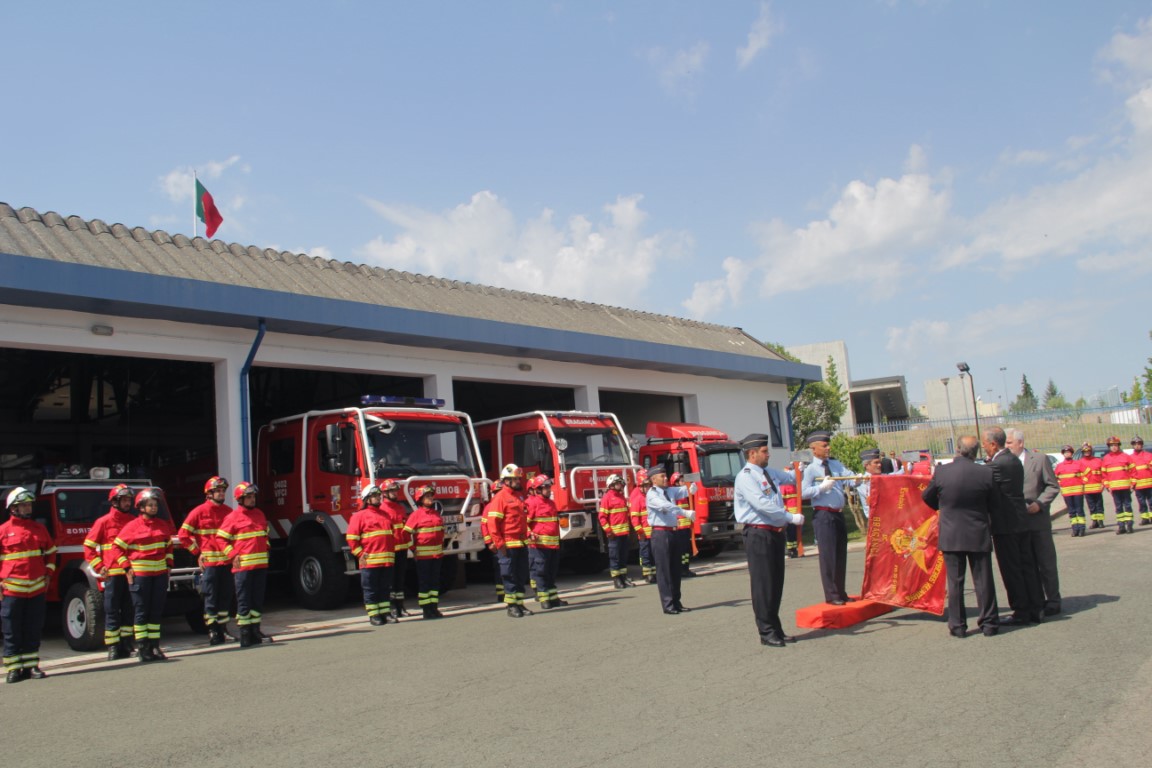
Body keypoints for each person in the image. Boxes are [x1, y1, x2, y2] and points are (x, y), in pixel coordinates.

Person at [921, 436, 1000, 638]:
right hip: (978, 531)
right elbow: (995, 502)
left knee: (955, 582)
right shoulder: (985, 472)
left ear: (957, 449)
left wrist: (945, 507)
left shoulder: (942, 472)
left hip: (951, 533)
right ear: (975, 452)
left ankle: (958, 626)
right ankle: (989, 623)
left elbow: (927, 497)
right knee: (983, 581)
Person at [733, 434, 805, 647]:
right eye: (764, 451)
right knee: (763, 584)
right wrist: (790, 517)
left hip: (773, 533)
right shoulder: (746, 476)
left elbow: (791, 478)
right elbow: (762, 504)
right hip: (758, 533)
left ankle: (776, 628)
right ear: (752, 453)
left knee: (775, 583)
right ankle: (766, 632)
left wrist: (802, 467)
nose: (768, 454)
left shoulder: (767, 473)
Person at [983, 427, 1043, 626]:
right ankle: (1035, 607)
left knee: (1012, 569)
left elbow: (983, 484)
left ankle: (1021, 610)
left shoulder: (998, 464)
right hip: (1020, 521)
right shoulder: (1013, 459)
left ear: (993, 444)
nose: (984, 448)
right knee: (1027, 566)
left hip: (1006, 524)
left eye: (985, 444)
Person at [113, 487, 175, 662]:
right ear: (141, 507)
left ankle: (154, 646)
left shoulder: (162, 525)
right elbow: (117, 547)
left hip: (160, 575)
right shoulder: (131, 526)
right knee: (141, 611)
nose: (154, 507)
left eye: (155, 504)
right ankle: (142, 648)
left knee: (155, 611)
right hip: (141, 576)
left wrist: (169, 564)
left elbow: (168, 546)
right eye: (150, 505)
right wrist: (126, 567)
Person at [1, 487, 56, 682]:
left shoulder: (39, 528)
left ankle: (32, 665)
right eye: (23, 505)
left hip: (36, 588)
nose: (27, 508)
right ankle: (14, 668)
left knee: (33, 627)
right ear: (13, 508)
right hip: (12, 589)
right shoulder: (3, 531)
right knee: (12, 629)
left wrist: (48, 572)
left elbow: (51, 552)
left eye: (28, 505)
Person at [1007, 429, 1062, 617]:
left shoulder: (1038, 460)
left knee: (1045, 563)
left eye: (1009, 443)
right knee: (1027, 565)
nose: (1006, 447)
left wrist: (1039, 504)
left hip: (1037, 520)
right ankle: (1036, 600)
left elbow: (1053, 486)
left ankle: (1053, 600)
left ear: (1020, 443)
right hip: (1017, 524)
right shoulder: (1006, 463)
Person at [83, 484, 137, 660]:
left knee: (129, 609)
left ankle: (127, 643)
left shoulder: (133, 521)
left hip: (131, 573)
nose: (128, 503)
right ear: (115, 501)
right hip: (113, 574)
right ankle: (113, 646)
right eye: (124, 500)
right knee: (112, 610)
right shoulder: (103, 522)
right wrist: (99, 567)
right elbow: (89, 546)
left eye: (129, 500)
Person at [179, 476, 234, 645]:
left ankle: (224, 629)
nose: (221, 493)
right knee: (210, 597)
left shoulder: (229, 512)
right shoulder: (199, 512)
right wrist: (197, 552)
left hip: (227, 563)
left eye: (222, 491)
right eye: (217, 491)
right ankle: (212, 631)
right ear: (209, 494)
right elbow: (183, 535)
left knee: (225, 597)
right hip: (210, 564)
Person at [801, 430, 851, 604]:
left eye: (828, 444)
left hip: (837, 514)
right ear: (814, 449)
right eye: (824, 445)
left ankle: (841, 591)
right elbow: (803, 492)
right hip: (823, 515)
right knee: (828, 556)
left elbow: (849, 477)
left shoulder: (835, 464)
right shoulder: (810, 469)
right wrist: (820, 488)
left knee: (840, 554)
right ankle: (831, 595)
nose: (828, 448)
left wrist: (860, 478)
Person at [218, 482, 270, 646]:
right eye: (249, 497)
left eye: (253, 496)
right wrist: (232, 555)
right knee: (244, 600)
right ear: (240, 499)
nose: (252, 499)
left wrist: (267, 547)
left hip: (261, 566)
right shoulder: (232, 517)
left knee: (257, 600)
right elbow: (220, 538)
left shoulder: (260, 514)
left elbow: (264, 535)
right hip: (243, 568)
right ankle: (245, 633)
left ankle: (255, 630)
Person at [644, 465, 694, 614]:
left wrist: (692, 486)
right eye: (662, 476)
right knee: (664, 570)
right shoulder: (652, 494)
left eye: (666, 476)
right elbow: (666, 506)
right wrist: (684, 512)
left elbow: (683, 490)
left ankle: (676, 601)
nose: (666, 478)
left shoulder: (669, 491)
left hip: (673, 532)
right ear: (653, 479)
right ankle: (668, 604)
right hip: (661, 534)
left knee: (675, 569)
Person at [346, 484, 396, 626]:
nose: (378, 498)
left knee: (385, 588)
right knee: (371, 589)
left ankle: (385, 612)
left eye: (378, 495)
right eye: (374, 496)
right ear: (367, 499)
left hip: (386, 560)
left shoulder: (385, 515)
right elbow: (351, 539)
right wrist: (360, 555)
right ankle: (374, 615)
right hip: (370, 561)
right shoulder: (359, 516)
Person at [487, 464, 531, 618]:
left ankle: (520, 603)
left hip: (520, 542)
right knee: (509, 575)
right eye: (515, 479)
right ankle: (511, 606)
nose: (519, 481)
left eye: (519, 478)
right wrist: (499, 544)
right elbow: (493, 524)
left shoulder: (518, 496)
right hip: (508, 543)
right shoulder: (500, 498)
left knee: (520, 575)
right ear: (506, 481)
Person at [405, 485, 446, 619]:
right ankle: (426, 610)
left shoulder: (436, 514)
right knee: (425, 583)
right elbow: (406, 534)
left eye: (431, 496)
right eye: (427, 496)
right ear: (420, 499)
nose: (430, 498)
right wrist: (413, 548)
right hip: (423, 557)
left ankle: (434, 608)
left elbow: (440, 532)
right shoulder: (415, 515)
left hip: (437, 556)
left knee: (435, 583)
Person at [526, 475, 566, 609]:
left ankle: (553, 598)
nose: (549, 489)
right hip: (539, 546)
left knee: (551, 572)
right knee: (541, 571)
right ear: (538, 489)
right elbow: (524, 523)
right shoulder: (532, 503)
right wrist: (530, 534)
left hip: (553, 545)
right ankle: (544, 599)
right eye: (546, 487)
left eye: (549, 487)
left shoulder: (551, 503)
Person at [599, 474, 632, 589]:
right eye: (618, 483)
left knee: (623, 556)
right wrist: (608, 530)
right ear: (611, 485)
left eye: (621, 483)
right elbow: (602, 517)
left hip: (624, 534)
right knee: (615, 557)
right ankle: (616, 579)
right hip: (614, 534)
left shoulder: (622, 497)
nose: (620, 485)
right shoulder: (607, 498)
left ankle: (623, 577)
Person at [387, 482, 414, 618]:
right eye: (392, 491)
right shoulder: (382, 509)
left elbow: (405, 530)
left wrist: (411, 546)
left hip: (402, 549)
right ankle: (391, 607)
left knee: (399, 580)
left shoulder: (400, 508)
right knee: (390, 581)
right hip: (390, 550)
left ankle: (400, 606)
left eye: (396, 491)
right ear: (385, 493)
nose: (395, 493)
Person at [1101, 436, 1134, 534]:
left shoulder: (1126, 457)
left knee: (1127, 506)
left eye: (1115, 445)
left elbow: (1133, 471)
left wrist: (1133, 483)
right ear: (1109, 447)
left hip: (1125, 487)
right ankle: (1121, 526)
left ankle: (1129, 525)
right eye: (1111, 445)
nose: (1114, 447)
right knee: (1118, 507)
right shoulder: (1106, 459)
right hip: (1114, 488)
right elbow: (1104, 475)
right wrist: (1107, 486)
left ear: (1118, 446)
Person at [628, 469, 656, 584]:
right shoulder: (637, 499)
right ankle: (647, 574)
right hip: (644, 534)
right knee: (646, 554)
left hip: (654, 533)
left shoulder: (651, 497)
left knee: (653, 554)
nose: (648, 488)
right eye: (646, 486)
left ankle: (653, 573)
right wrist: (640, 531)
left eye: (649, 485)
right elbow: (634, 518)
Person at [481, 481, 506, 604]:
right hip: (496, 544)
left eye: (500, 492)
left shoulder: (506, 504)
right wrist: (489, 542)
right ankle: (501, 594)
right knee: (499, 569)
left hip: (508, 542)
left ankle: (509, 591)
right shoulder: (489, 507)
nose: (498, 494)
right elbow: (484, 526)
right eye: (496, 492)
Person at [1054, 445, 1087, 537]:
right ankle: (1075, 529)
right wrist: (1061, 484)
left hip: (1077, 491)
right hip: (1067, 492)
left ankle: (1082, 528)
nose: (1067, 454)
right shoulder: (1059, 466)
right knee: (1071, 511)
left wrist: (1082, 482)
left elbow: (1086, 473)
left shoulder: (1078, 464)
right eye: (1065, 452)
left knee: (1079, 510)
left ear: (1072, 453)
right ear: (1063, 454)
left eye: (1068, 452)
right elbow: (1055, 478)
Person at [670, 472, 697, 578]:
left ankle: (686, 568)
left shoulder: (685, 495)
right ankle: (680, 569)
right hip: (679, 528)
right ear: (675, 483)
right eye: (681, 481)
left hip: (686, 528)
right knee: (680, 551)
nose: (683, 482)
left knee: (686, 551)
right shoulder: (674, 495)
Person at [853, 448, 886, 521]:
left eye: (880, 462)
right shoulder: (863, 481)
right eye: (876, 463)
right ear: (867, 465)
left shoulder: (885, 477)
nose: (879, 465)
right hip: (876, 520)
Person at [1080, 443, 1106, 529]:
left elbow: (1103, 474)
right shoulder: (1080, 462)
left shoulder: (1098, 461)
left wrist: (1103, 484)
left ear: (1091, 451)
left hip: (1098, 487)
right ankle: (1094, 521)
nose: (1087, 453)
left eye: (1088, 451)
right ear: (1083, 452)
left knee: (1099, 505)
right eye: (1085, 451)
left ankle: (1101, 521)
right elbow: (1079, 475)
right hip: (1087, 488)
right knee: (1091, 506)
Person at [1129, 436, 1152, 526]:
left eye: (1139, 444)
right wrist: (1131, 484)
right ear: (1133, 446)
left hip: (1150, 484)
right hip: (1138, 485)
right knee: (1141, 503)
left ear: (1142, 445)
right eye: (1135, 444)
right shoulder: (1130, 458)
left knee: (1151, 502)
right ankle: (1145, 518)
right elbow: (1129, 472)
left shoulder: (1149, 455)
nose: (1137, 446)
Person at [781, 482, 801, 558]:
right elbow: (782, 500)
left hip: (795, 512)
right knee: (790, 533)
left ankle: (794, 549)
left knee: (794, 532)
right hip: (789, 513)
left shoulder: (795, 485)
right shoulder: (785, 485)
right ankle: (790, 550)